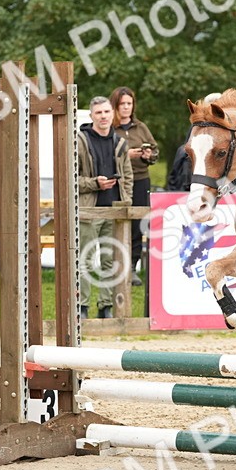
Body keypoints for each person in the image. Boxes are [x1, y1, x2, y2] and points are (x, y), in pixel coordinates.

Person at [77, 96, 133, 318]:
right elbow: (71, 177)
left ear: (113, 114)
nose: (103, 116)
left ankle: (105, 306)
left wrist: (125, 202)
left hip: (114, 209)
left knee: (110, 260)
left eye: (107, 112)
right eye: (98, 112)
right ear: (91, 115)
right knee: (87, 259)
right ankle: (82, 307)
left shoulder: (120, 142)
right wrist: (94, 183)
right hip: (88, 211)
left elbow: (127, 176)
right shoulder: (80, 140)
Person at [111, 86, 158, 285]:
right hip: (117, 181)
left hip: (140, 179)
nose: (126, 108)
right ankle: (116, 266)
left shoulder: (141, 127)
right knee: (119, 222)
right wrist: (125, 155)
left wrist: (149, 155)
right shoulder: (110, 128)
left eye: (129, 103)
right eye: (123, 104)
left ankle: (132, 267)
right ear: (116, 105)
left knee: (139, 225)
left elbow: (155, 152)